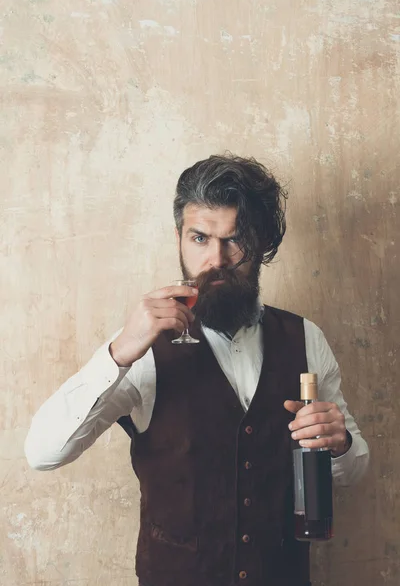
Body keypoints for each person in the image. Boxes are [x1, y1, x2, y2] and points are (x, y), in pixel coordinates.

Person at [25, 154, 369, 586]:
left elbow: (353, 470)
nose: (217, 259)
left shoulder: (306, 339)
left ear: (260, 242)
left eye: (235, 240)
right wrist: (118, 353)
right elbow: (43, 454)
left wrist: (339, 445)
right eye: (201, 238)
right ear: (179, 240)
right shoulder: (141, 349)